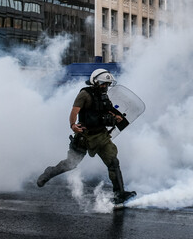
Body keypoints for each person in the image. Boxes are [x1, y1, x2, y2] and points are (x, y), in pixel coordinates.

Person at [37, 68, 136, 204]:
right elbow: (74, 111)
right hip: (84, 137)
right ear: (95, 81)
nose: (105, 87)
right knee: (70, 164)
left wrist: (116, 116)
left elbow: (108, 108)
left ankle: (119, 194)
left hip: (101, 137)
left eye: (107, 84)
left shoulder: (104, 95)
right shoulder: (85, 94)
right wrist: (73, 125)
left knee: (113, 162)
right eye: (103, 83)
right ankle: (49, 173)